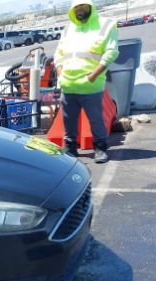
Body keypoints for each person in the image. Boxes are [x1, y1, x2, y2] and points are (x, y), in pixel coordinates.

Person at [54, 0, 119, 163]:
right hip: (68, 85)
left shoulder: (106, 25)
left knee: (95, 119)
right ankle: (71, 148)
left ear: (90, 6)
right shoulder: (69, 28)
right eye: (76, 7)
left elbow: (111, 53)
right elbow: (58, 54)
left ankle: (100, 148)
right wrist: (60, 74)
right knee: (69, 120)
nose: (79, 10)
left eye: (82, 6)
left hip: (91, 86)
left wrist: (93, 75)